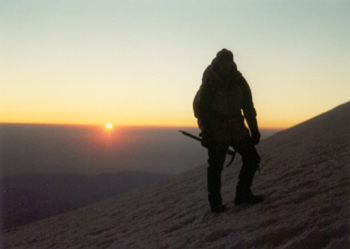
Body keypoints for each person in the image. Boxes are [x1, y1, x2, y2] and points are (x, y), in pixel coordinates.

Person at [193, 49, 263, 213]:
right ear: (218, 62)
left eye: (228, 61)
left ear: (232, 62)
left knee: (252, 158)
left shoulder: (239, 81)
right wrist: (206, 132)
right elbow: (201, 111)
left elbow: (248, 107)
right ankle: (216, 205)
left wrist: (254, 129)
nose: (225, 64)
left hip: (236, 128)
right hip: (217, 130)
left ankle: (242, 194)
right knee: (216, 167)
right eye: (223, 61)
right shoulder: (211, 82)